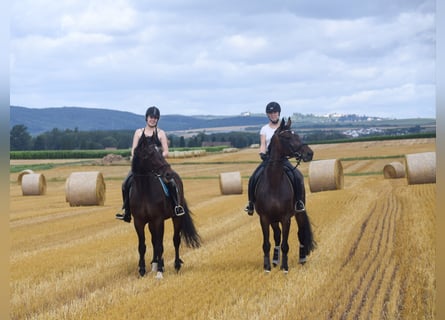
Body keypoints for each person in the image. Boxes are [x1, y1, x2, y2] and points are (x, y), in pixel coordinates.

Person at [115, 106, 185, 222]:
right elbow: (133, 149)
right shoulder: (138, 132)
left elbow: (166, 151)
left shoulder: (161, 133)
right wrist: (137, 158)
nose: (153, 119)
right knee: (125, 184)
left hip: (156, 166)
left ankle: (176, 206)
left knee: (172, 182)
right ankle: (127, 211)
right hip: (141, 167)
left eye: (155, 118)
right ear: (146, 118)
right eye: (151, 117)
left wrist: (158, 158)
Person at [244, 101, 306, 215]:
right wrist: (262, 153)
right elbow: (263, 143)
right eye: (271, 113)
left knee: (297, 176)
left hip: (283, 159)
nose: (273, 115)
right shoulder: (264, 129)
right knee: (253, 177)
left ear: (279, 113)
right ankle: (251, 204)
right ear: (268, 115)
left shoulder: (284, 128)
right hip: (269, 159)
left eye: (275, 112)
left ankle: (298, 202)